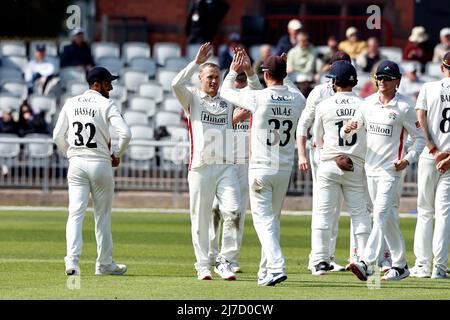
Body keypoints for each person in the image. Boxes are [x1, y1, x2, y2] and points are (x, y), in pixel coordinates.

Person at [221, 52, 306, 286]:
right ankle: (265, 271)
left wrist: (232, 71)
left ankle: (277, 266)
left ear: (266, 75)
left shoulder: (260, 98)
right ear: (285, 74)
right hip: (284, 169)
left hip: (261, 167)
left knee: (263, 221)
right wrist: (279, 70)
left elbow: (225, 92)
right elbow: (286, 89)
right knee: (273, 221)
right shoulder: (298, 99)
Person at [344, 60, 425, 281]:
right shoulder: (367, 103)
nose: (382, 82)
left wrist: (407, 160)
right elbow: (351, 127)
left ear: (397, 81)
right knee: (387, 217)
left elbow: (420, 139)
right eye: (379, 78)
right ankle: (400, 265)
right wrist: (347, 129)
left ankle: (365, 261)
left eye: (387, 79)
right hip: (371, 169)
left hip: (392, 170)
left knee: (379, 215)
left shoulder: (405, 106)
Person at [171, 42, 241, 281]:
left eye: (217, 77)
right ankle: (202, 265)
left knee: (233, 210)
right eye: (209, 77)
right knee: (201, 219)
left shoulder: (227, 99)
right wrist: (196, 62)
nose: (213, 81)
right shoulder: (192, 99)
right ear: (200, 78)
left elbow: (250, 96)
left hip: (226, 166)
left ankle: (225, 261)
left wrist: (241, 71)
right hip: (200, 167)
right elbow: (175, 84)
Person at [53, 66, 132, 276]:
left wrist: (70, 152)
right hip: (100, 163)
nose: (112, 86)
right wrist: (116, 153)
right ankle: (104, 264)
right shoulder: (106, 104)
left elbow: (57, 136)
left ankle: (72, 262)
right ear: (96, 84)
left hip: (76, 163)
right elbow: (125, 133)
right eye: (108, 82)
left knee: (75, 214)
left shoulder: (71, 103)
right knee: (102, 217)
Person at [310, 61, 371, 275]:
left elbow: (316, 139)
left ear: (335, 82)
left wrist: (331, 155)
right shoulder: (364, 105)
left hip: (329, 163)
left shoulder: (324, 105)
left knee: (324, 214)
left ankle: (320, 261)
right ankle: (365, 260)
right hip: (355, 165)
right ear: (353, 82)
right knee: (360, 214)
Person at [296, 51, 352, 273]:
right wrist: (302, 154)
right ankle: (315, 259)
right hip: (321, 154)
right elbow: (303, 125)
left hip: (345, 154)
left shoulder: (351, 94)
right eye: (338, 66)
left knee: (336, 207)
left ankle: (328, 256)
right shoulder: (319, 92)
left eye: (345, 66)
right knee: (322, 206)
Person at [209, 57, 263, 274]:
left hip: (243, 162)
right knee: (213, 209)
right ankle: (211, 254)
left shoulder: (255, 97)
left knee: (236, 211)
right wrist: (234, 119)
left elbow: (258, 88)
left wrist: (250, 72)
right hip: (219, 158)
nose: (240, 83)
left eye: (244, 79)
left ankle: (229, 258)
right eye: (237, 79)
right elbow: (212, 125)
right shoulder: (224, 97)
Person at [410, 51, 450, 279]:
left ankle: (423, 265)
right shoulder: (428, 87)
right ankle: (439, 268)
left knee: (425, 211)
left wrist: (433, 149)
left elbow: (420, 120)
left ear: (442, 67)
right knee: (444, 213)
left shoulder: (428, 87)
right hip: (449, 159)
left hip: (430, 156)